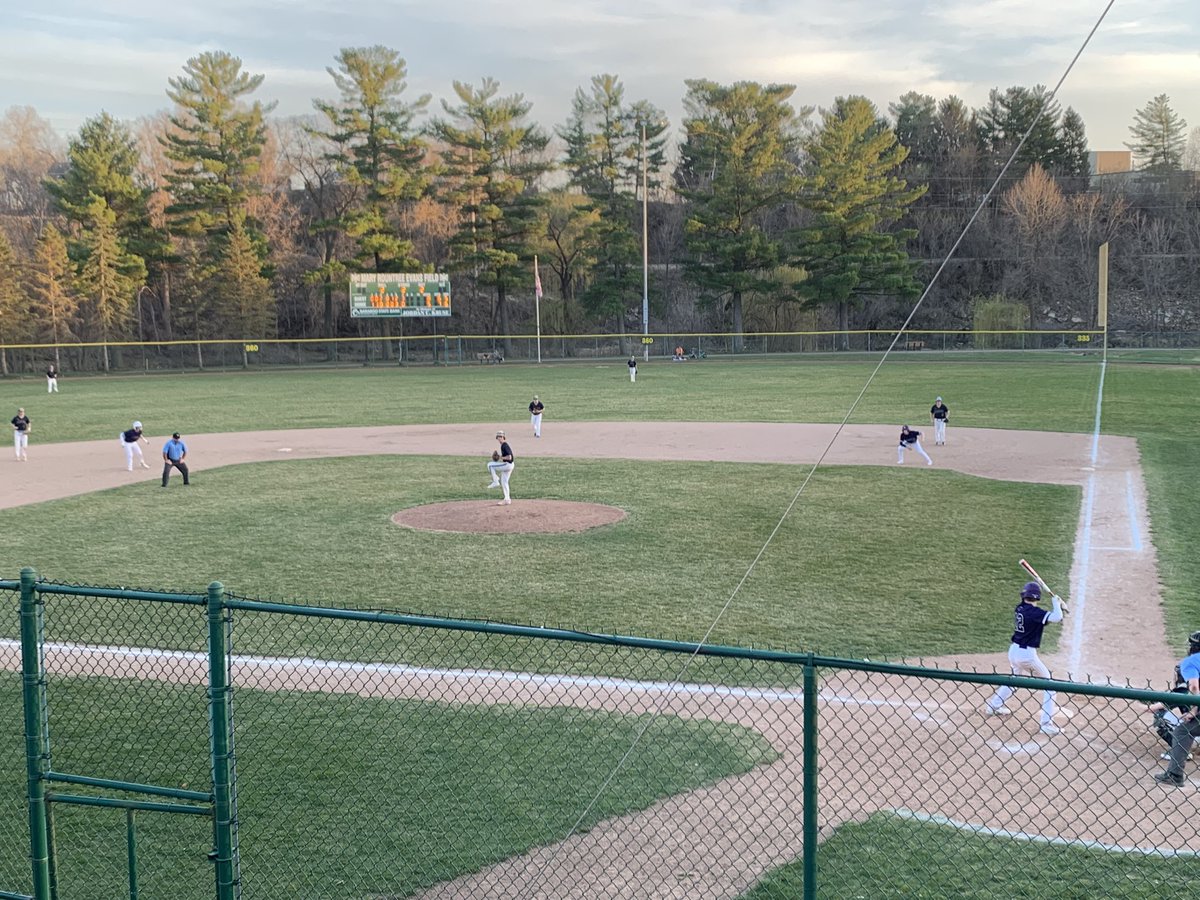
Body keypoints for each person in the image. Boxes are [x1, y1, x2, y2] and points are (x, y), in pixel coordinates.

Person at [984, 581, 1065, 735]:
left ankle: (993, 706)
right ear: (1038, 597)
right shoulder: (1035, 613)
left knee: (1014, 679)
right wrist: (1057, 603)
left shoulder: (1020, 608)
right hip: (1026, 655)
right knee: (1050, 685)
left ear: (1024, 595)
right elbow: (1056, 617)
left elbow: (1047, 619)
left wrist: (1058, 611)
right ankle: (1046, 724)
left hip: (1013, 651)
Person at [1152, 629, 1200, 786]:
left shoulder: (1191, 661)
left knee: (1183, 731)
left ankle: (1174, 775)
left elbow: (1193, 686)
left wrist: (1194, 710)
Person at [486, 430, 514, 505]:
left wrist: (500, 457)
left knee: (490, 465)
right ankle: (507, 499)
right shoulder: (503, 445)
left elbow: (509, 457)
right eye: (498, 437)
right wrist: (501, 458)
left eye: (500, 437)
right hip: (509, 465)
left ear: (503, 437)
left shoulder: (505, 445)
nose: (499, 438)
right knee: (504, 482)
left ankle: (495, 481)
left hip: (508, 465)